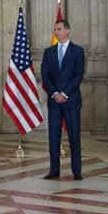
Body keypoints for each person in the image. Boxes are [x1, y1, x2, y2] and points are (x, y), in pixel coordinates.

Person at [40, 19, 85, 180]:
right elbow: (45, 76)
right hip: (54, 101)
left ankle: (76, 170)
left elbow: (78, 75)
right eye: (54, 29)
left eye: (59, 29)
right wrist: (54, 93)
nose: (56, 32)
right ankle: (54, 170)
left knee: (74, 135)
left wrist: (64, 94)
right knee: (53, 136)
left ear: (67, 30)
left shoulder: (78, 51)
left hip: (71, 100)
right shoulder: (48, 52)